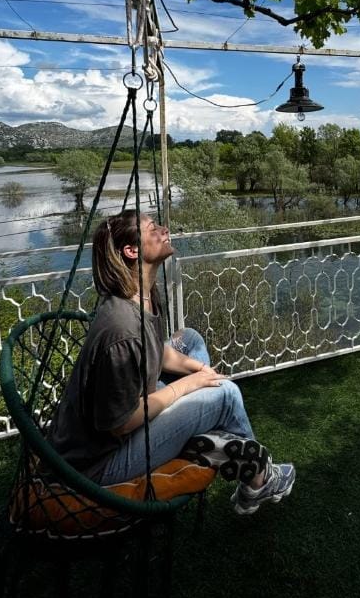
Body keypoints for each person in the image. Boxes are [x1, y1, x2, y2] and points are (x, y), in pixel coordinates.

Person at [48, 210, 295, 516]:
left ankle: (203, 437)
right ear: (132, 251)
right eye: (153, 228)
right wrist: (189, 386)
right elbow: (119, 424)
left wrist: (198, 369)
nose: (165, 230)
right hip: (98, 465)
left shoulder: (144, 296)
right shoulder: (122, 329)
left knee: (188, 339)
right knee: (225, 393)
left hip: (129, 419)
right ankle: (258, 478)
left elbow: (158, 350)